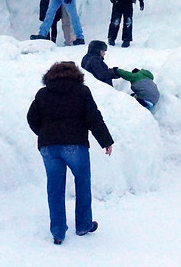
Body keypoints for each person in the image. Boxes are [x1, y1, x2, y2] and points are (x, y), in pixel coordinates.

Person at [26, 61, 114, 245]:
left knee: (55, 188)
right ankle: (83, 225)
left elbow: (31, 118)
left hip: (49, 147)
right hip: (75, 144)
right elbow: (93, 117)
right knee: (82, 184)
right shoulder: (82, 92)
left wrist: (44, 134)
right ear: (76, 74)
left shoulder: (43, 94)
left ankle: (58, 232)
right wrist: (105, 140)